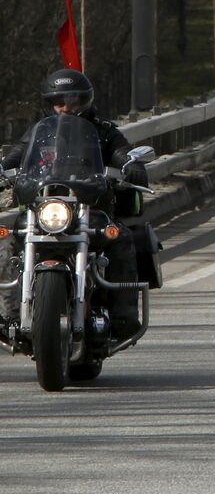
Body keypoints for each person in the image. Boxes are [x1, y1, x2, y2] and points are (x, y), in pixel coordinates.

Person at [0, 70, 147, 337]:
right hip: (43, 208)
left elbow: (121, 152)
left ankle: (123, 315)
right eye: (59, 102)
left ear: (85, 101)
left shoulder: (103, 131)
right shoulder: (39, 133)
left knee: (122, 239)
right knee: (10, 240)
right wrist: (3, 169)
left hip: (90, 209)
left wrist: (130, 163)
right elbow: (15, 158)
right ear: (49, 104)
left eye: (73, 101)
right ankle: (11, 315)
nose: (66, 107)